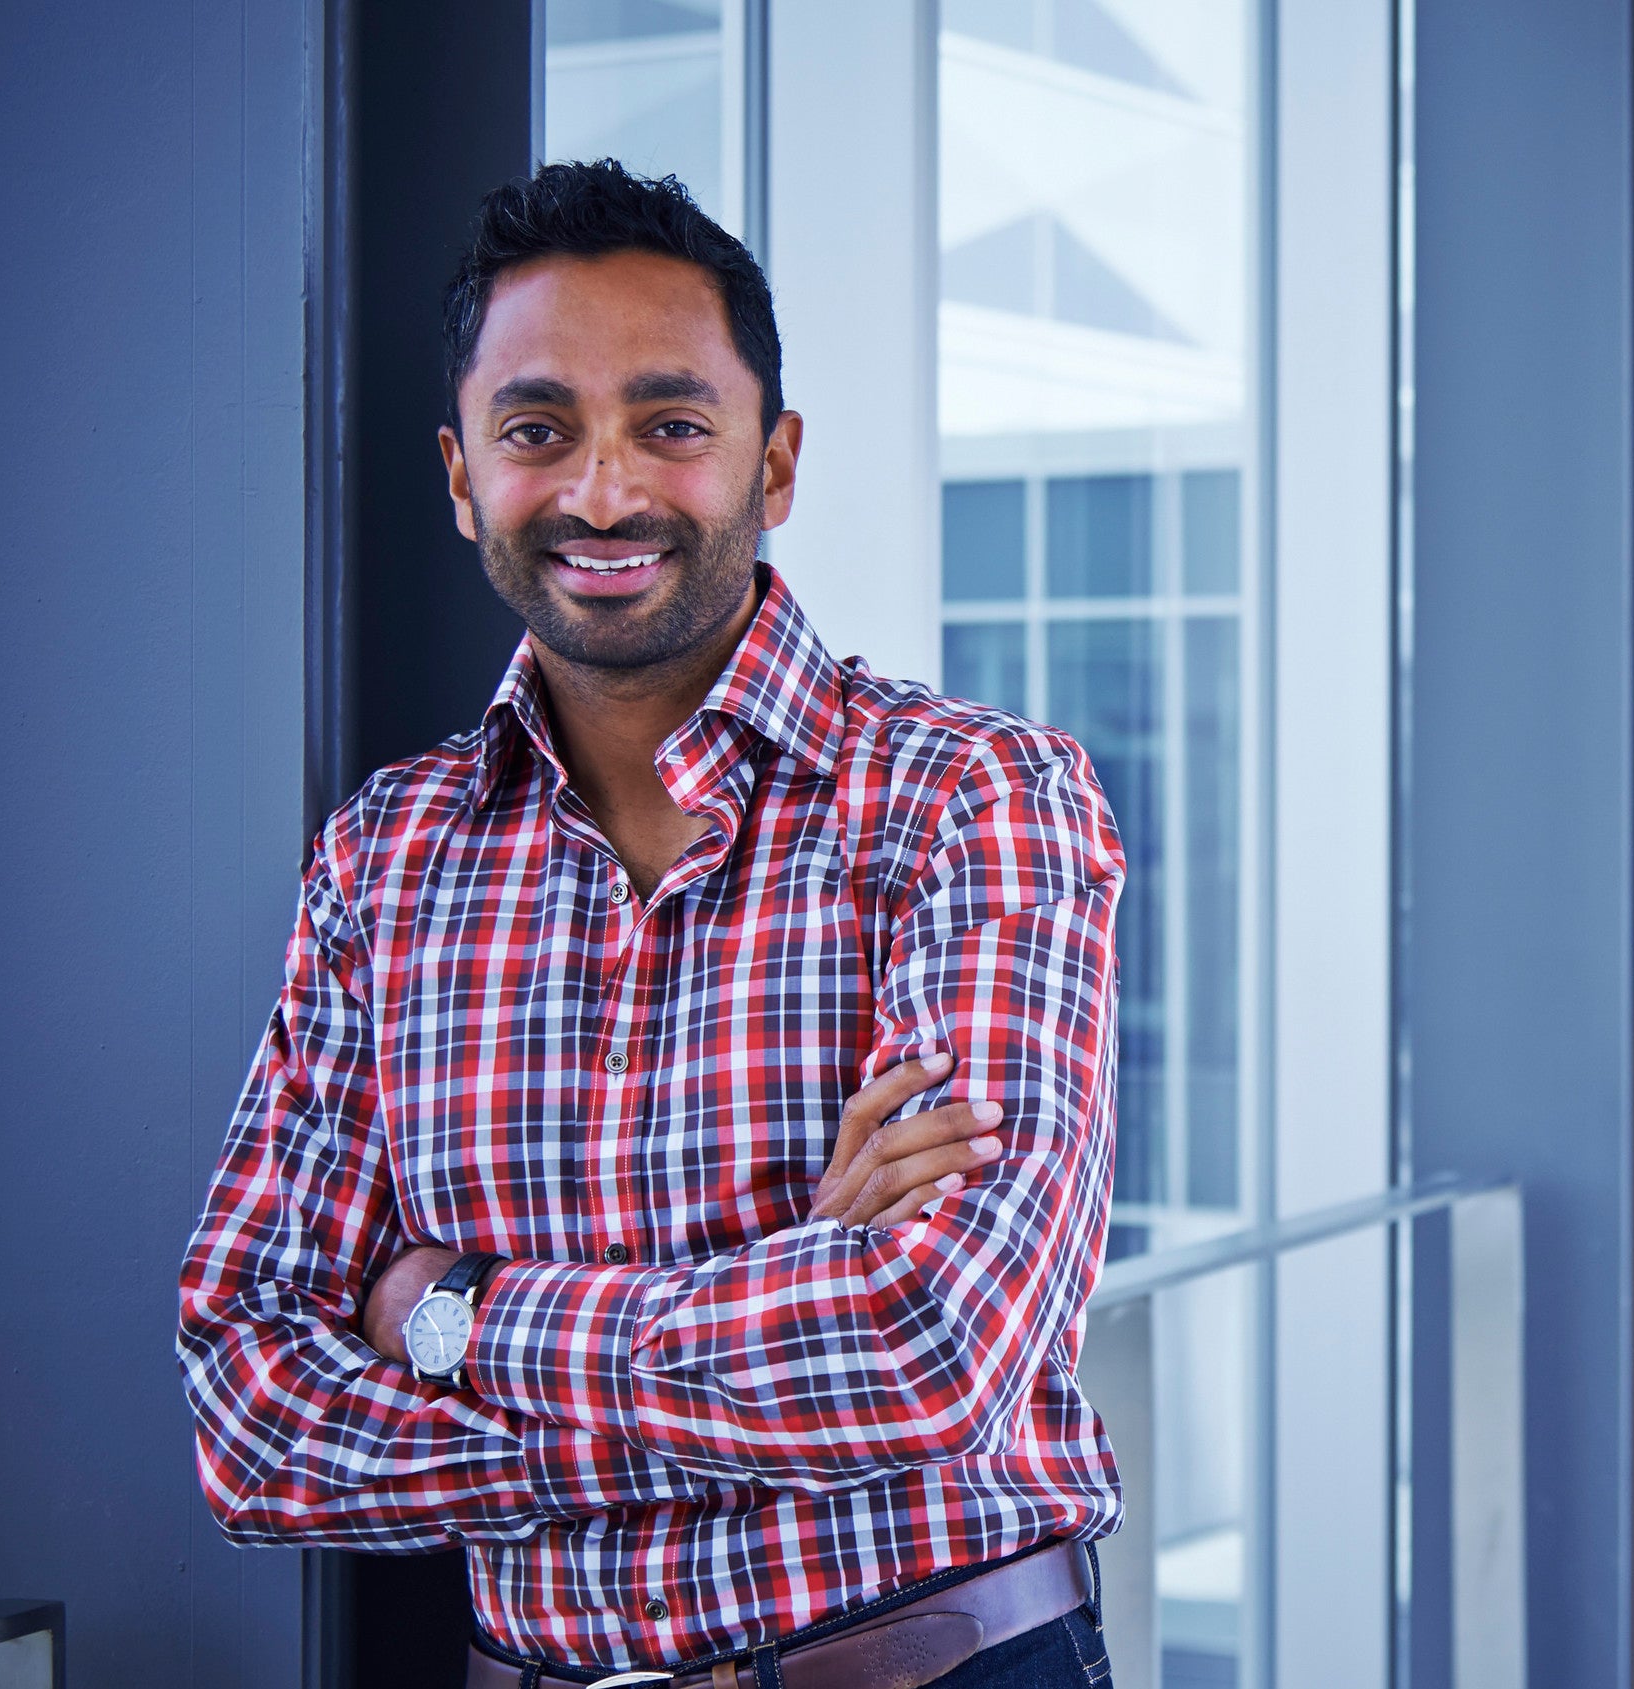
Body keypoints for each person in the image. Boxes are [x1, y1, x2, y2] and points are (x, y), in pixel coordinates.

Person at [177, 159, 1121, 1689]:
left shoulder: (976, 799)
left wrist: (454, 1319)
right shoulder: (384, 860)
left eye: (672, 426)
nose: (603, 491)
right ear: (461, 470)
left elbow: (930, 1349)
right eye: (538, 429)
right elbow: (251, 1413)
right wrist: (777, 1321)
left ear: (776, 461)